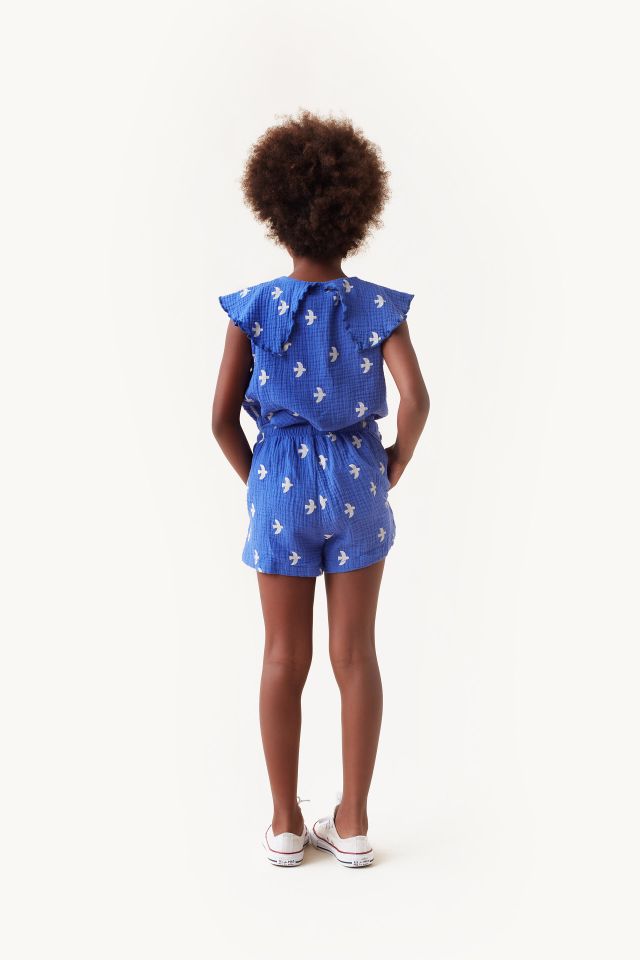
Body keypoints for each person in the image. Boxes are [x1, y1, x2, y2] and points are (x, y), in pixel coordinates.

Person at [212, 109, 430, 867]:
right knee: (356, 654)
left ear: (274, 210)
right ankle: (355, 822)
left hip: (278, 484)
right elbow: (417, 400)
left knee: (282, 655)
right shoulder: (376, 306)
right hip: (358, 484)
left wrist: (261, 483)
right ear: (356, 211)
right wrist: (393, 464)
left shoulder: (253, 306)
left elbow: (218, 421)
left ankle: (283, 823)